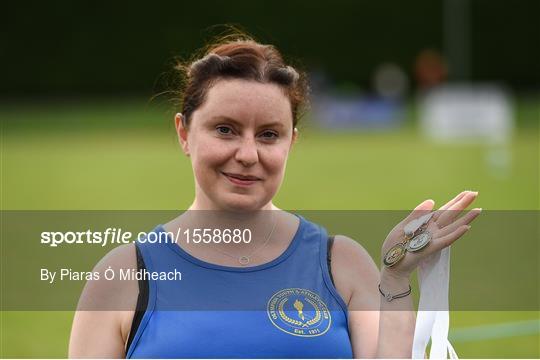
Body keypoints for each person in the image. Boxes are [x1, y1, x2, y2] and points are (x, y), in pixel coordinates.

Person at [68, 33, 481, 358]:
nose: (247, 155)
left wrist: (394, 278)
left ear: (291, 142)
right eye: (225, 129)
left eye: (269, 135)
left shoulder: (341, 264)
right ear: (183, 133)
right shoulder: (122, 276)